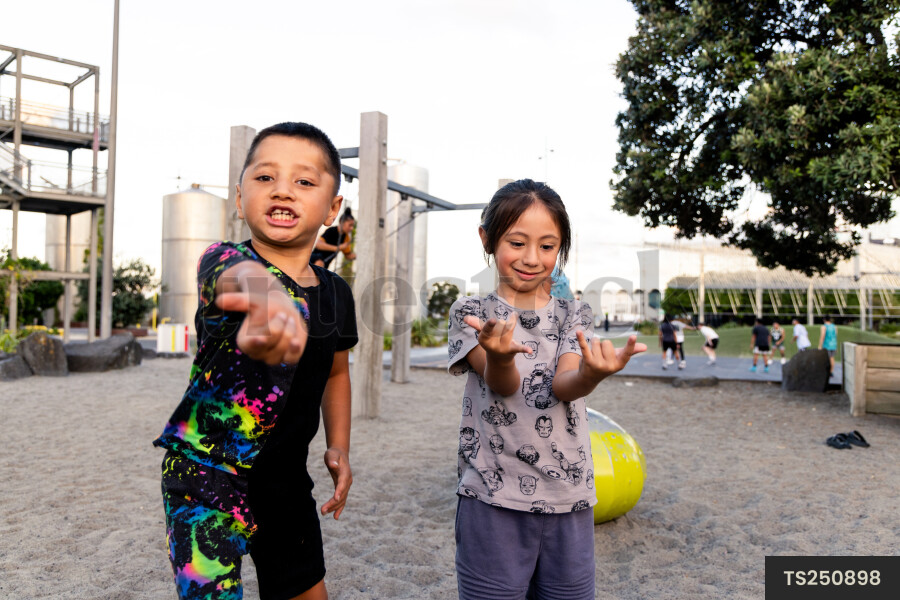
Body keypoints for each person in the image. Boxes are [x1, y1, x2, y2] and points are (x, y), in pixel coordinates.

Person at [153, 122, 358, 600]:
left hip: (285, 480)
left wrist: (339, 447)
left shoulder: (335, 294)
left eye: (304, 181)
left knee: (306, 590)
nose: (283, 189)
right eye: (265, 178)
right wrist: (267, 299)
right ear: (240, 195)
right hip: (203, 476)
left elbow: (336, 372)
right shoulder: (221, 260)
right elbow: (238, 278)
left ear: (332, 209)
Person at [446, 179, 646, 600]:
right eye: (517, 243)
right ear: (487, 238)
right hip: (492, 495)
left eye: (547, 246)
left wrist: (593, 374)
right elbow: (503, 385)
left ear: (561, 249)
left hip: (569, 496)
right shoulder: (471, 314)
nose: (532, 258)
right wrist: (500, 357)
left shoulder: (575, 313)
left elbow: (564, 385)